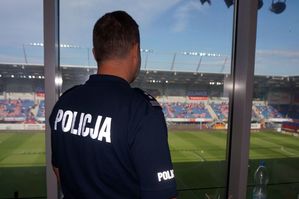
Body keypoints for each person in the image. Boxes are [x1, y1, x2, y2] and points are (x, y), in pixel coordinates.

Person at [49, 10, 177, 199]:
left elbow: (58, 169)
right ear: (135, 50)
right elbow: (162, 196)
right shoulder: (141, 110)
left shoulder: (64, 102)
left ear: (95, 53)